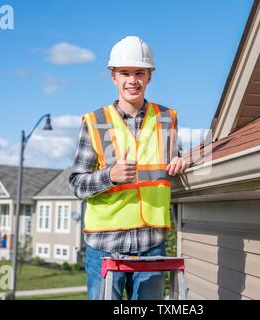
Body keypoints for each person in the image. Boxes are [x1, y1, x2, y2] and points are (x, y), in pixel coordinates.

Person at [69, 35, 188, 300]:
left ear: (149, 77)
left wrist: (181, 161)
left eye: (139, 73)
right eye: (125, 73)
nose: (132, 80)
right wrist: (109, 176)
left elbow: (169, 163)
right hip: (105, 245)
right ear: (114, 76)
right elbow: (76, 184)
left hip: (151, 242)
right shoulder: (95, 122)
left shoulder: (167, 119)